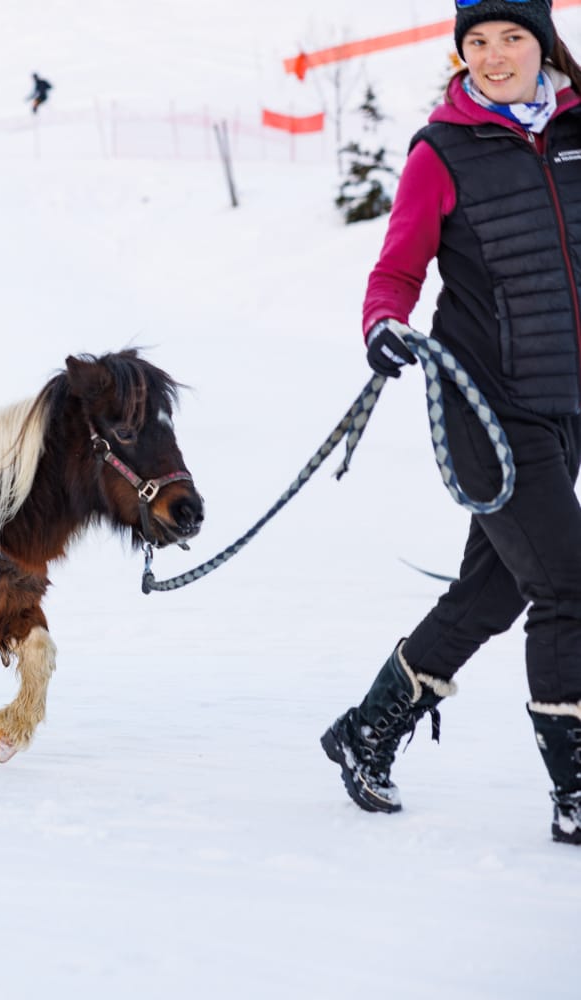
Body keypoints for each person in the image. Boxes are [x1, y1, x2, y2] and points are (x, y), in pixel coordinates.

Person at [321, 0, 581, 845]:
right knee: (570, 588)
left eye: (513, 38)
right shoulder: (443, 151)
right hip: (485, 411)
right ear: (460, 53)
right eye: (478, 42)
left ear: (544, 45)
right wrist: (382, 324)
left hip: (564, 407)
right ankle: (577, 792)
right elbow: (396, 268)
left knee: (491, 593)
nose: (496, 56)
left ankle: (368, 730)